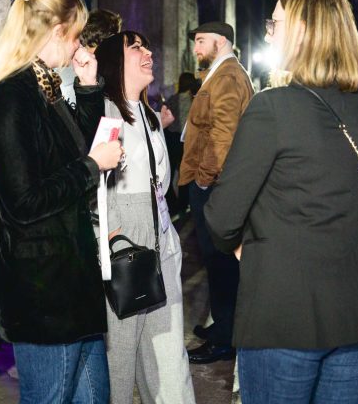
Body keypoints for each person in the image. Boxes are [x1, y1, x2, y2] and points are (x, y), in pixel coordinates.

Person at [204, 0, 358, 403]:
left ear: (302, 32)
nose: (268, 33)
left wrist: (237, 245)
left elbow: (221, 217)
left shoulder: (273, 107)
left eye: (276, 23)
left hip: (284, 309)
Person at [0, 0, 123, 404]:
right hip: (42, 287)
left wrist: (90, 87)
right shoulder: (10, 97)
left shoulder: (45, 86)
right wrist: (94, 166)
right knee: (51, 397)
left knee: (93, 396)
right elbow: (24, 202)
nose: (77, 48)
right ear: (55, 32)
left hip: (70, 276)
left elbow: (78, 149)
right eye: (75, 35)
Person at [94, 32, 195, 403]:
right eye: (135, 47)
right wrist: (114, 234)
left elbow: (160, 181)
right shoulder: (105, 112)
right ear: (114, 61)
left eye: (148, 46)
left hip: (162, 237)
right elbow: (96, 186)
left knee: (168, 354)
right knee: (118, 360)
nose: (148, 52)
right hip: (126, 243)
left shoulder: (150, 115)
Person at [179, 21, 254, 364]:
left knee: (221, 262)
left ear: (220, 41)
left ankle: (225, 339)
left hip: (214, 184)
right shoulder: (223, 72)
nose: (195, 48)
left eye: (201, 41)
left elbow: (223, 134)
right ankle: (223, 325)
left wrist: (204, 180)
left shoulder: (227, 76)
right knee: (217, 261)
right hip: (214, 183)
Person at [164, 72, 197, 216]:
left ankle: (172, 204)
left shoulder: (172, 99)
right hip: (188, 140)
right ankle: (184, 204)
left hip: (172, 139)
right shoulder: (195, 100)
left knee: (169, 174)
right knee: (186, 173)